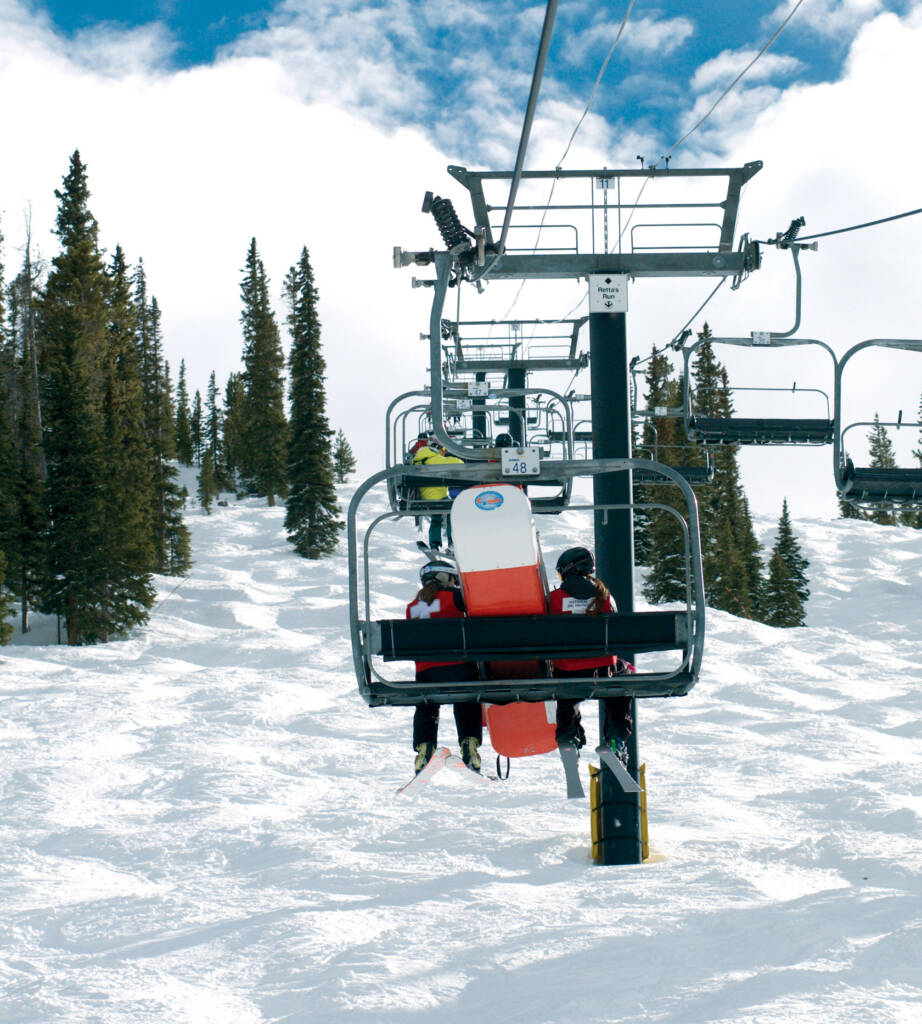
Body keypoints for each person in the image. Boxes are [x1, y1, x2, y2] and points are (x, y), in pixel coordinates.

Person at [549, 546, 633, 764]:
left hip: (567, 672)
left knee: (566, 696)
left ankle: (568, 737)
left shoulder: (554, 599)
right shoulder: (604, 596)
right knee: (619, 684)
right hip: (603, 671)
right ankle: (616, 738)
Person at [407, 558, 483, 772]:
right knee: (467, 698)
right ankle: (470, 745)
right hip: (460, 669)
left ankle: (424, 749)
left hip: (427, 673)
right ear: (447, 578)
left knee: (426, 704)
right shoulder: (456, 597)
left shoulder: (412, 606)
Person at [412, 440, 463, 552]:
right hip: (439, 497)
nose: (443, 453)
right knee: (453, 512)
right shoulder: (434, 458)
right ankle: (452, 542)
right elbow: (458, 463)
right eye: (443, 450)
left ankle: (435, 544)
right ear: (437, 449)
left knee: (436, 518)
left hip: (425, 498)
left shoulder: (417, 460)